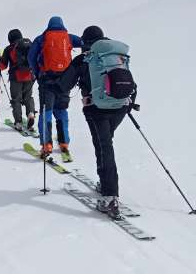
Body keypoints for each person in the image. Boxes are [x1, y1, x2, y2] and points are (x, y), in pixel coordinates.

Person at [58, 25, 137, 219]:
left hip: (96, 109)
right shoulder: (116, 56)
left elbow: (64, 85)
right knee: (104, 144)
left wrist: (49, 84)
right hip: (120, 107)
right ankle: (106, 183)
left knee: (104, 146)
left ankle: (110, 196)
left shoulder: (85, 58)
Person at [28, 16, 83, 160]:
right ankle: (64, 142)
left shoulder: (41, 38)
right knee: (61, 111)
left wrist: (37, 73)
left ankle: (47, 144)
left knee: (46, 112)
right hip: (64, 82)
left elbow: (31, 57)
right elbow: (84, 42)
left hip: (46, 82)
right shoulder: (69, 37)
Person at [0, 29, 36, 132]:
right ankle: (31, 113)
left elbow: (3, 66)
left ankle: (18, 122)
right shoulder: (28, 45)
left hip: (16, 77)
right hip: (29, 76)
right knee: (28, 97)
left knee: (16, 99)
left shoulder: (9, 49)